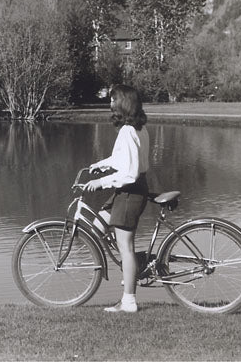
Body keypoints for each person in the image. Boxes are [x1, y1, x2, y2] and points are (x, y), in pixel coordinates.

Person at [84, 84, 150, 313]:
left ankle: (129, 301)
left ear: (123, 103)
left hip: (130, 191)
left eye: (113, 100)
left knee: (125, 247)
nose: (110, 103)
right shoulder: (137, 129)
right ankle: (134, 265)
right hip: (128, 190)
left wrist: (101, 182)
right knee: (96, 227)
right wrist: (99, 165)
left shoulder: (128, 131)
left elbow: (130, 173)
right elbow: (120, 159)